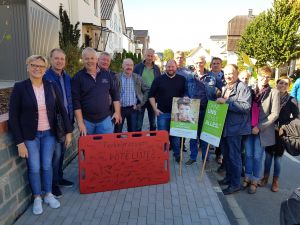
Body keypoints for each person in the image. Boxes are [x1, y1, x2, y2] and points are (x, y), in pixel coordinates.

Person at [9, 55, 73, 215]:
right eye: (33, 65)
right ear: (28, 67)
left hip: (49, 134)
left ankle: (48, 194)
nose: (37, 68)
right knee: (34, 167)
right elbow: (13, 117)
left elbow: (62, 110)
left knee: (47, 166)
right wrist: (19, 143)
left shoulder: (51, 86)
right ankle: (37, 197)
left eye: (41, 66)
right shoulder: (20, 87)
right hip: (30, 136)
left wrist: (69, 132)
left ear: (45, 69)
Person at [242, 66, 280, 194]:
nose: (265, 79)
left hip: (262, 130)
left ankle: (254, 180)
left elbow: (274, 114)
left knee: (258, 156)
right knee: (248, 154)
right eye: (263, 76)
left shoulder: (274, 92)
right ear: (257, 76)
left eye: (268, 77)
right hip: (248, 128)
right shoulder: (249, 90)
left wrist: (260, 126)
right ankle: (247, 176)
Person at [216, 64, 252, 195]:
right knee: (227, 156)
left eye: (231, 73)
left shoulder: (243, 88)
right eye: (226, 74)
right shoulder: (225, 87)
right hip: (225, 127)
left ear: (237, 73)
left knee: (234, 157)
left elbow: (245, 107)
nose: (228, 76)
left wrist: (225, 102)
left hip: (236, 129)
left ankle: (235, 184)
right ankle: (229, 178)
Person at [260, 76, 299, 192]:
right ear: (277, 84)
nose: (282, 85)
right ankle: (265, 177)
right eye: (281, 83)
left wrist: (286, 126)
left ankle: (275, 181)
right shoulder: (271, 96)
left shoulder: (291, 100)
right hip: (269, 130)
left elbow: (297, 117)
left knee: (277, 159)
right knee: (267, 157)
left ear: (288, 86)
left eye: (285, 84)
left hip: (281, 133)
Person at [44, 48, 74, 198]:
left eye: (62, 59)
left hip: (67, 120)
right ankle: (53, 184)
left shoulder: (67, 77)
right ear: (50, 59)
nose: (59, 61)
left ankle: (60, 177)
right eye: (56, 58)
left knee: (62, 152)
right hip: (54, 122)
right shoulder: (46, 77)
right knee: (55, 154)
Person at [72, 47, 121, 135]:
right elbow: (76, 102)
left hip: (105, 120)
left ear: (96, 59)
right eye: (86, 58)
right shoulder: (77, 77)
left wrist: (117, 112)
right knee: (88, 148)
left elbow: (115, 94)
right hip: (86, 121)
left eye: (92, 58)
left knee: (106, 147)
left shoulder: (106, 75)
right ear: (83, 60)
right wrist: (80, 122)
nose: (89, 61)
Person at [149, 59, 186, 163]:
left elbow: (185, 95)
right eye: (168, 67)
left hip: (177, 114)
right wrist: (155, 109)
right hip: (162, 113)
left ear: (176, 67)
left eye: (172, 67)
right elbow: (151, 95)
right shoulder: (158, 79)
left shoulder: (182, 79)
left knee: (176, 136)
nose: (170, 69)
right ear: (165, 67)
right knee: (162, 136)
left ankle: (177, 154)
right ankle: (163, 155)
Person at [114, 58, 149, 132]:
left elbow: (147, 90)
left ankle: (131, 144)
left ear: (133, 67)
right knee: (117, 131)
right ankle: (117, 144)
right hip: (120, 109)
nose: (129, 67)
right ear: (123, 66)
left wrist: (141, 103)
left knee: (132, 131)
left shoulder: (137, 77)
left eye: (131, 65)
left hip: (133, 109)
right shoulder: (116, 77)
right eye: (127, 65)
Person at [184, 69, 209, 165]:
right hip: (192, 110)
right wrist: (185, 96)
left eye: (201, 62)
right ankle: (193, 157)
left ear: (204, 63)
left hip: (205, 110)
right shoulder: (189, 77)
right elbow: (185, 90)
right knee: (192, 135)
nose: (199, 64)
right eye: (197, 62)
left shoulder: (210, 77)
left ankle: (205, 159)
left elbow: (217, 91)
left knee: (204, 136)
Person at [134, 48, 161, 131]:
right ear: (144, 55)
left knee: (153, 123)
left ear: (153, 57)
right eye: (148, 55)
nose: (149, 58)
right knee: (138, 123)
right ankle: (138, 141)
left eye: (151, 56)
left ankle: (152, 140)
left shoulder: (156, 68)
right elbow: (134, 81)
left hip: (152, 98)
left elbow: (159, 82)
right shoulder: (137, 67)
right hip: (141, 97)